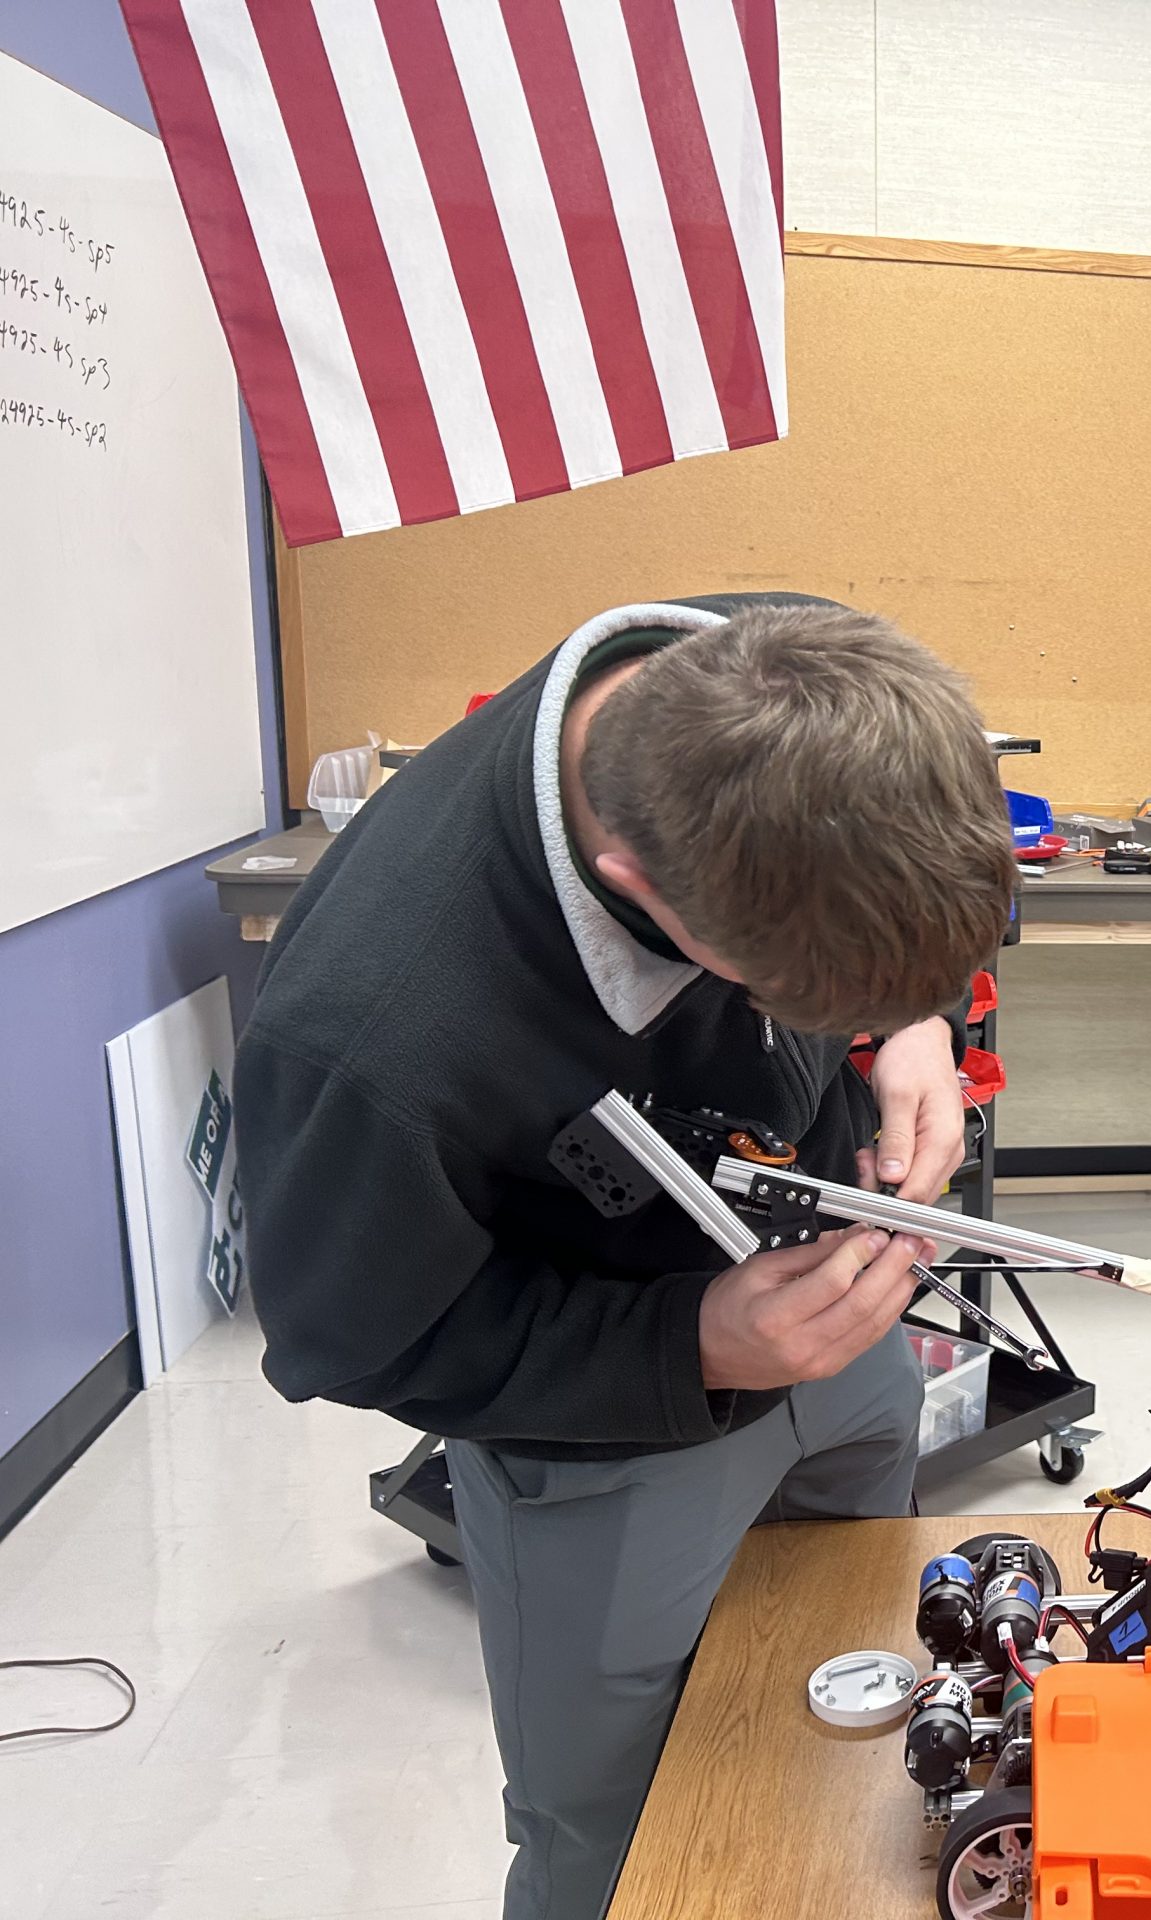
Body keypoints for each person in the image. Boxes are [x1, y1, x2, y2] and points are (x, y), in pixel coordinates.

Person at [237, 594, 1018, 1920]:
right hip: (606, 1443)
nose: (839, 1029)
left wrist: (917, 1030)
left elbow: (915, 910)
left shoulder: (791, 675)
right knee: (613, 1833)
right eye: (805, 1002)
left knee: (850, 1720)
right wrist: (693, 1345)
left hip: (841, 1350)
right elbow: (353, 1339)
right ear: (642, 894)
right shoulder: (373, 1039)